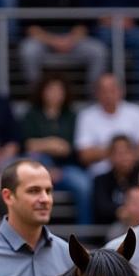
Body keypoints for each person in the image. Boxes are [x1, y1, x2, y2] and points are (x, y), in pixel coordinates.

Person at [20, 0, 108, 94]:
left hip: (72, 39)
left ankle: (93, 101)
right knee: (28, 51)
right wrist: (54, 41)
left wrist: (70, 39)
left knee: (98, 51)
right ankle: (37, 99)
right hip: (43, 41)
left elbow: (83, 22)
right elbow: (29, 28)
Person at [21, 74, 92, 226]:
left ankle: (84, 234)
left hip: (66, 168)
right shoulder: (32, 115)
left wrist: (43, 144)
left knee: (84, 185)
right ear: (42, 92)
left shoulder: (72, 117)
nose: (54, 94)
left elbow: (69, 148)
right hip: (38, 168)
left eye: (58, 90)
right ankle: (30, 229)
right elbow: (28, 145)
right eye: (50, 90)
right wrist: (52, 143)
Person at [75, 73, 139, 179]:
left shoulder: (136, 112)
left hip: (134, 171)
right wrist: (119, 154)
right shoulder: (86, 116)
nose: (108, 94)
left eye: (112, 90)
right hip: (100, 174)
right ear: (96, 93)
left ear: (121, 91)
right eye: (104, 90)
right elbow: (85, 155)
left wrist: (124, 159)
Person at [91, 135, 139, 226]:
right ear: (110, 156)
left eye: (127, 152)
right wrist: (119, 211)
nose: (124, 158)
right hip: (110, 227)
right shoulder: (101, 181)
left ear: (134, 155)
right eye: (119, 153)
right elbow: (101, 207)